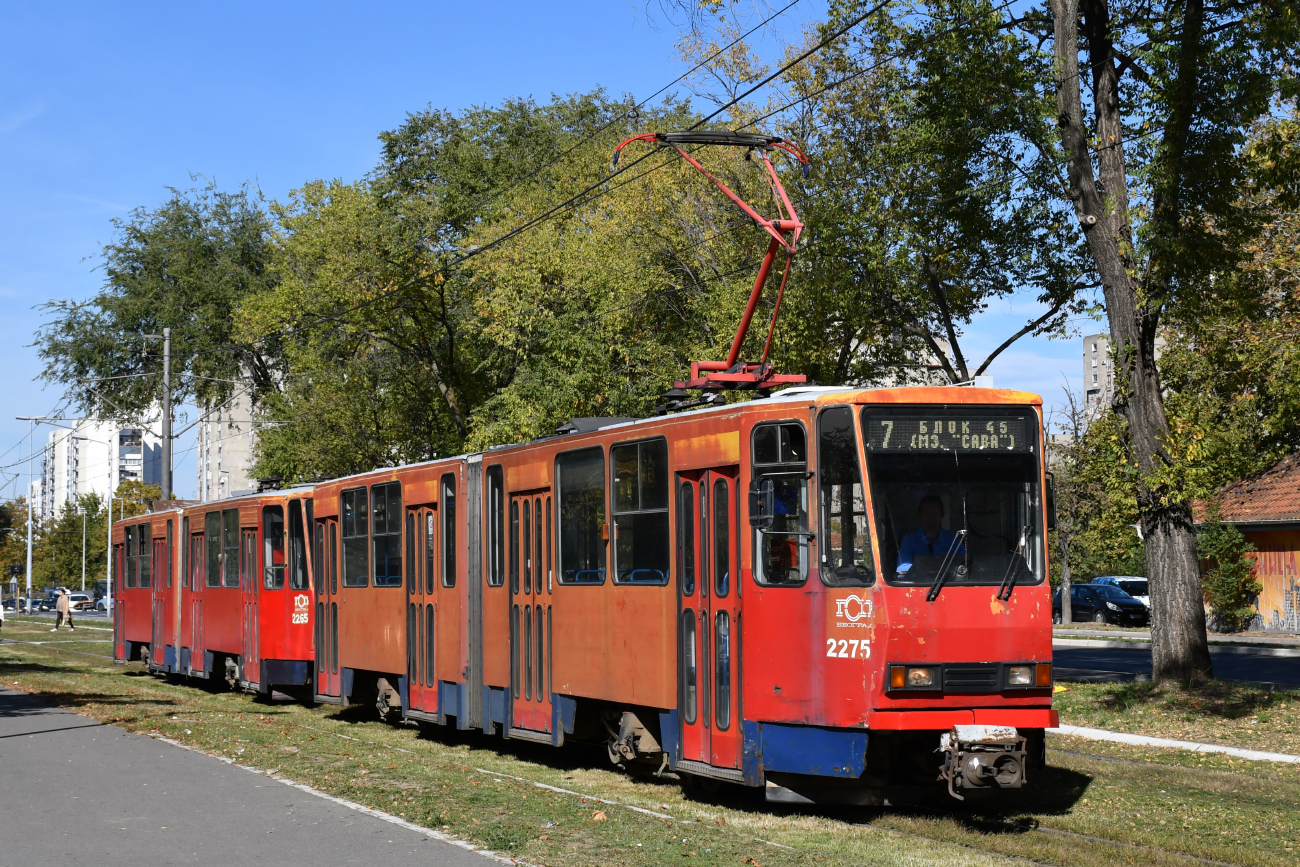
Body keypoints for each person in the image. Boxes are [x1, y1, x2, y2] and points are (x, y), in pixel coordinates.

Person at [896, 495, 964, 574]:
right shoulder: (909, 540)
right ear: (920, 515)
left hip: (948, 580)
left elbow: (963, 565)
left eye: (935, 512)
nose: (931, 517)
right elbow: (903, 570)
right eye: (927, 513)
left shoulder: (953, 539)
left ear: (942, 515)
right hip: (918, 581)